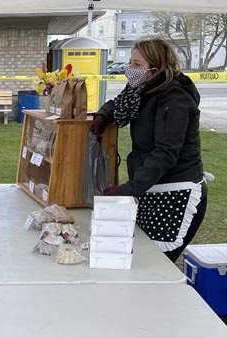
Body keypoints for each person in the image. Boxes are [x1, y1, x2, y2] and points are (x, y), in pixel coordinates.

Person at [91, 38, 207, 262]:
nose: (130, 69)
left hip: (175, 194)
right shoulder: (143, 89)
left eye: (136, 64)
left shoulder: (175, 99)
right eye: (130, 63)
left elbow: (165, 153)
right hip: (149, 189)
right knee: (139, 256)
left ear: (156, 67)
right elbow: (121, 102)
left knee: (154, 263)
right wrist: (104, 114)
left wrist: (130, 189)